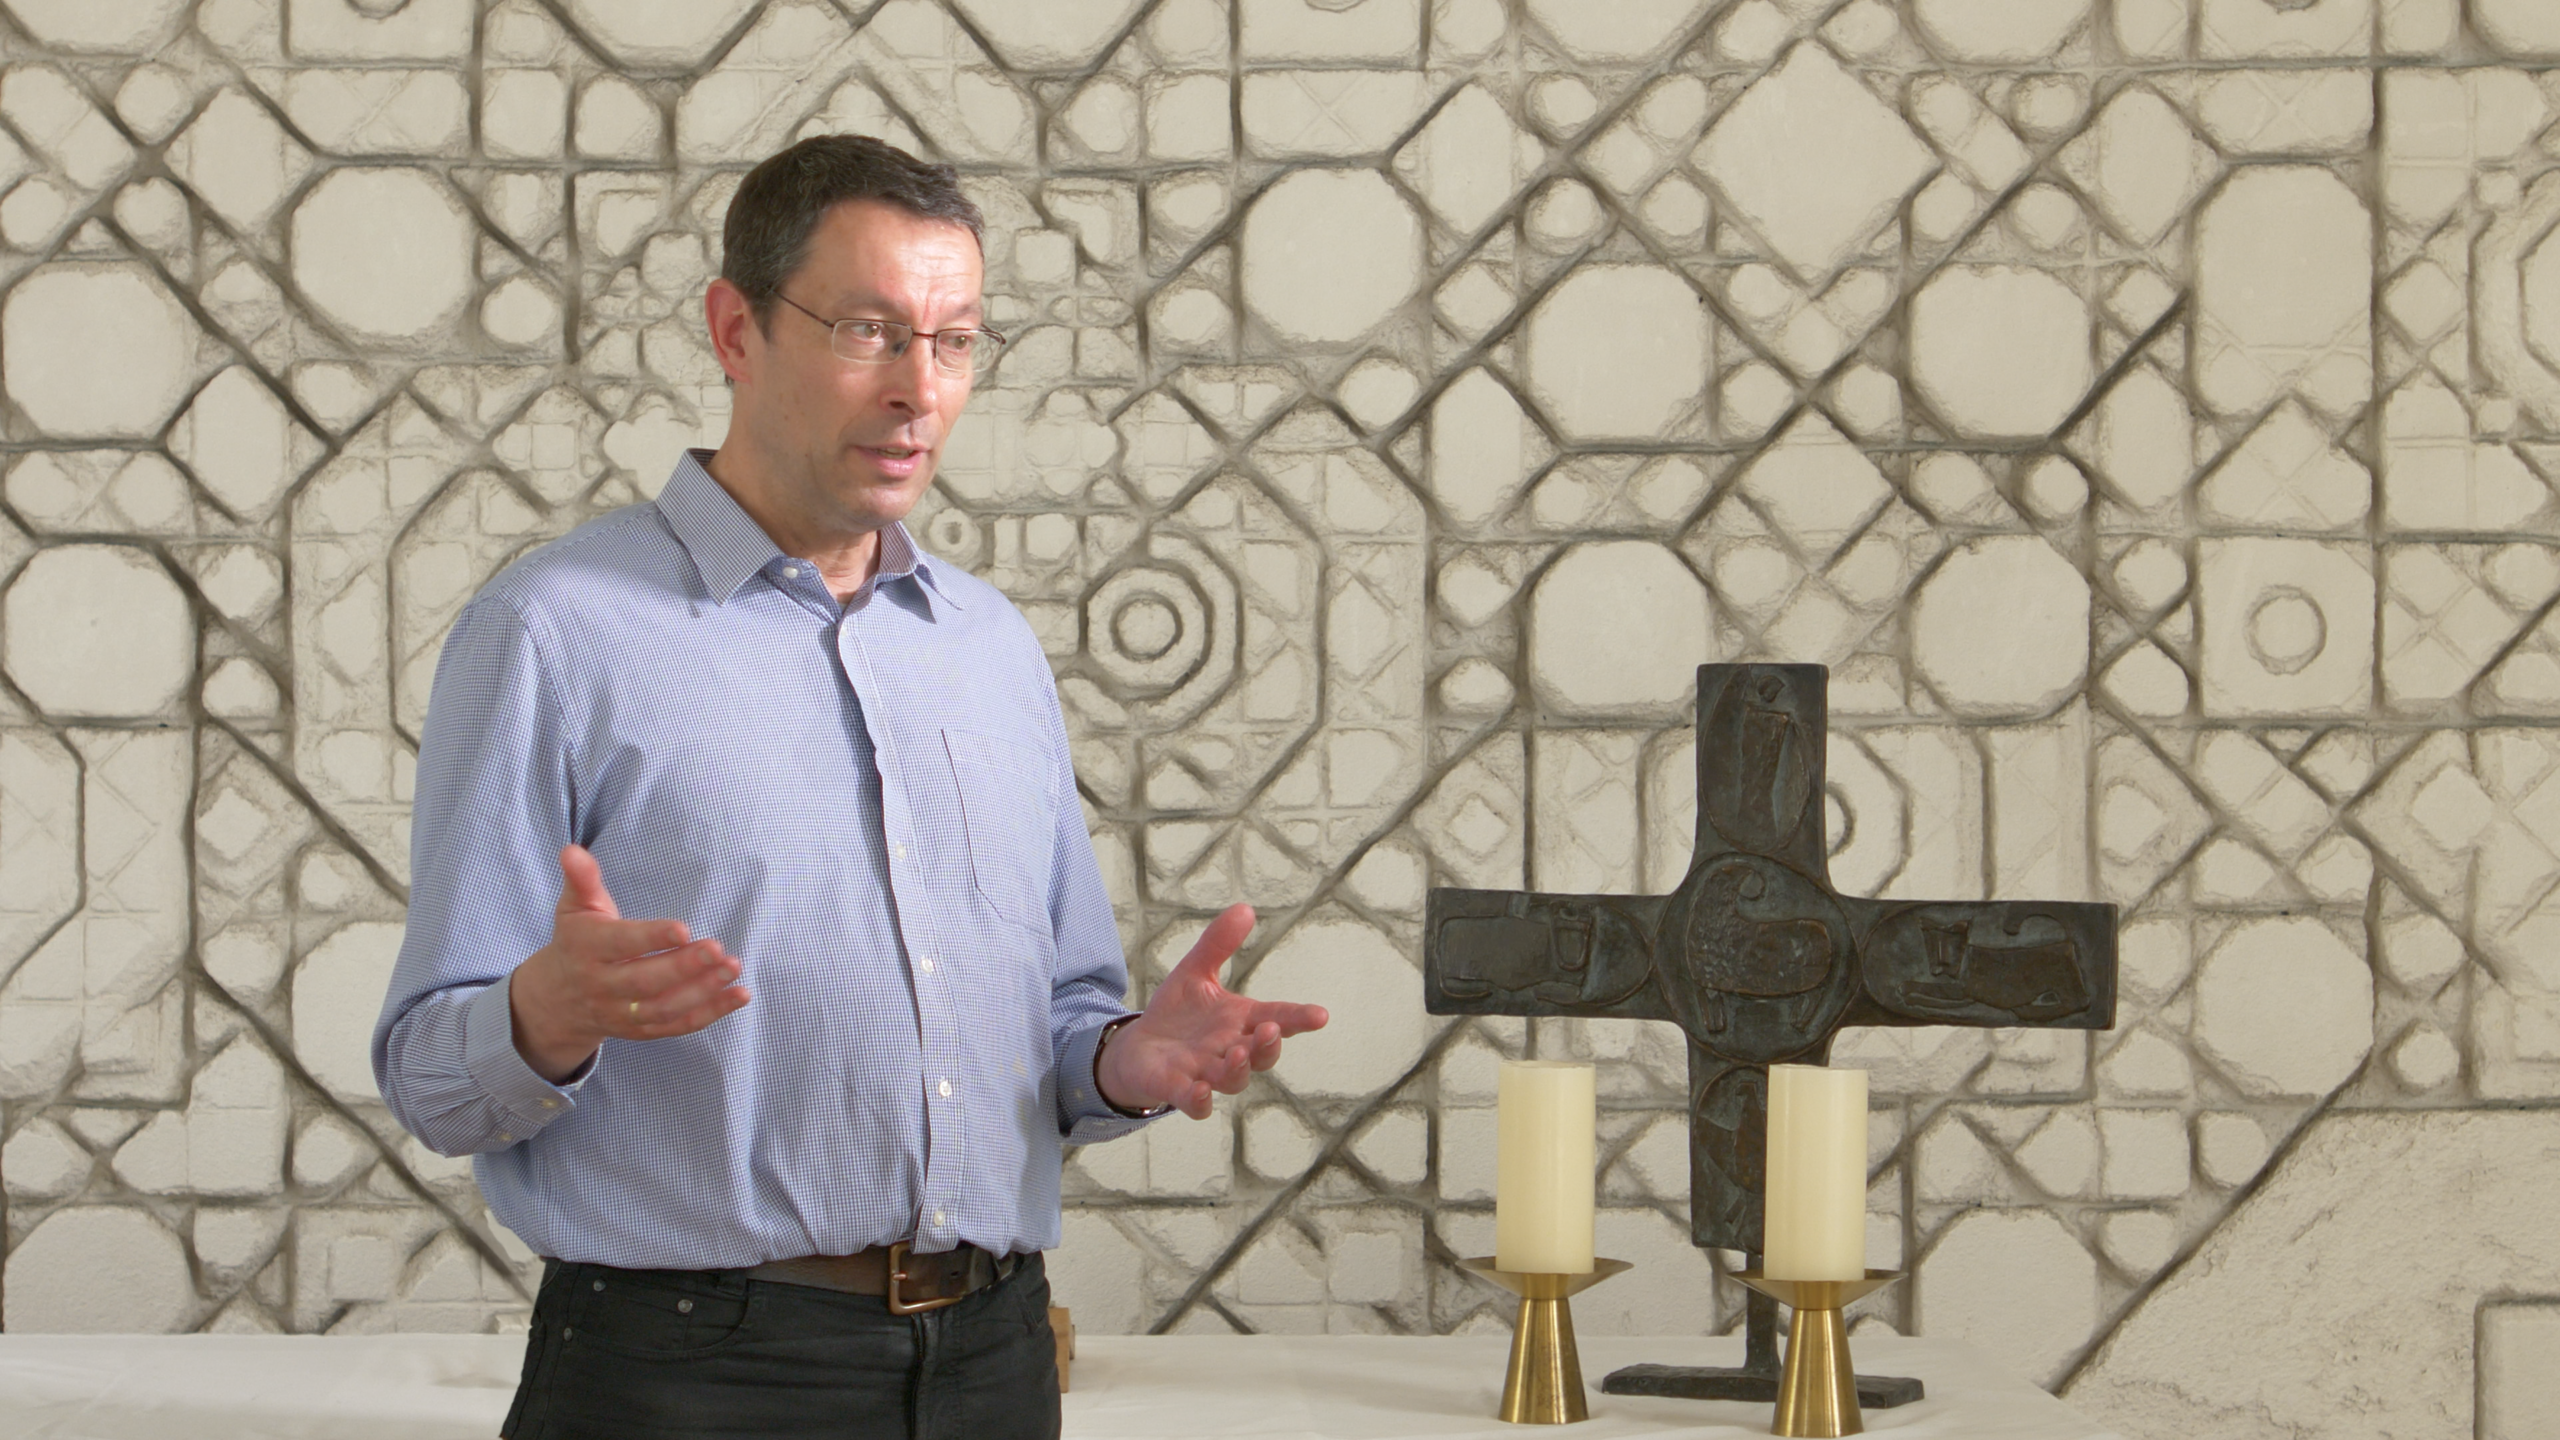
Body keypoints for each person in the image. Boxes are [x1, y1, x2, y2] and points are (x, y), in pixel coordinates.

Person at [372, 134, 1327, 1440]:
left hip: (996, 1362)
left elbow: (1058, 1035)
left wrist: (1126, 1061)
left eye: (955, 341)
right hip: (692, 1378)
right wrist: (547, 1013)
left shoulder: (990, 648)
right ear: (735, 329)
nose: (917, 390)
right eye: (869, 332)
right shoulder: (554, 630)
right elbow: (431, 1082)